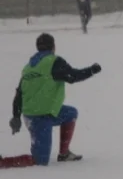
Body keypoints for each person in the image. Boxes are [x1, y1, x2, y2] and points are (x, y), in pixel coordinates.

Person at [1, 33, 102, 169]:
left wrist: (16, 116)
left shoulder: (29, 66)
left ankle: (64, 154)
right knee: (40, 161)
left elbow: (19, 94)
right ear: (53, 47)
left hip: (37, 114)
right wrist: (91, 70)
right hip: (39, 119)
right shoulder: (54, 62)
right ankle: (3, 163)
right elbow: (73, 76)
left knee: (70, 113)